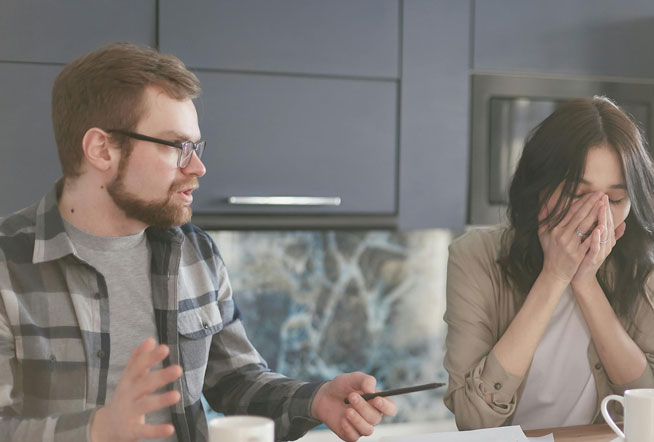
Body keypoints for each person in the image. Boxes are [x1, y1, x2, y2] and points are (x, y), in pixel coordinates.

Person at [0, 42, 397, 442]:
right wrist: (95, 430)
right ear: (102, 149)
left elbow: (236, 380)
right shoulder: (7, 265)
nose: (198, 167)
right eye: (178, 147)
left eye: (196, 147)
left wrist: (315, 400)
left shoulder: (194, 252)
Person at [443, 96, 654, 430]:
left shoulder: (650, 256)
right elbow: (473, 419)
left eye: (616, 199)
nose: (598, 217)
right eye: (577, 194)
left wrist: (586, 283)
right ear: (540, 188)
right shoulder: (474, 257)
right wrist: (554, 276)